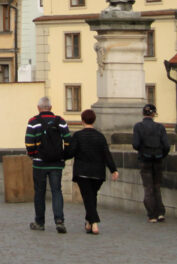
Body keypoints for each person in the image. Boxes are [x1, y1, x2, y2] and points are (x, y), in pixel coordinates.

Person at [66, 109, 118, 234]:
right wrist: (113, 170)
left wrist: (62, 155)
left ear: (82, 120)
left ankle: (94, 223)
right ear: (94, 120)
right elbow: (106, 154)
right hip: (98, 172)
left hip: (82, 172)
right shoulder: (100, 136)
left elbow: (70, 152)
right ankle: (88, 222)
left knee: (88, 197)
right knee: (91, 196)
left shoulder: (78, 136)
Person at [25, 96, 72, 233]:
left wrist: (34, 155)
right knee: (57, 191)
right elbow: (68, 141)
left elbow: (29, 142)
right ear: (50, 108)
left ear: (39, 108)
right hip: (56, 163)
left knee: (39, 192)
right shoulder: (60, 121)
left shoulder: (33, 122)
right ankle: (59, 221)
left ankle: (40, 222)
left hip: (39, 163)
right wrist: (63, 156)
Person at [132, 103, 170, 222]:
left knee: (148, 187)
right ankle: (160, 213)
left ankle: (152, 214)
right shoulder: (160, 127)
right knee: (157, 186)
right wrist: (161, 155)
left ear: (143, 113)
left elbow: (136, 144)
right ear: (154, 114)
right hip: (158, 160)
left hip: (145, 160)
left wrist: (143, 151)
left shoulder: (138, 126)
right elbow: (167, 146)